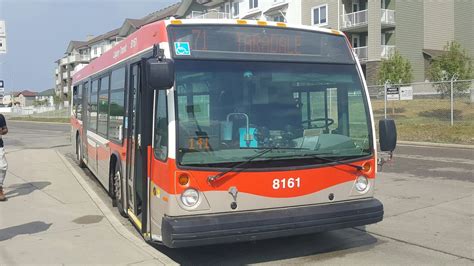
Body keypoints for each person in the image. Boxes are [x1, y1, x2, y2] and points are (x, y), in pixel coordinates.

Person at [0, 113, 8, 201]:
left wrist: (1, 131)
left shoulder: (0, 117)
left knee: (3, 166)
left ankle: (0, 188)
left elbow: (5, 129)